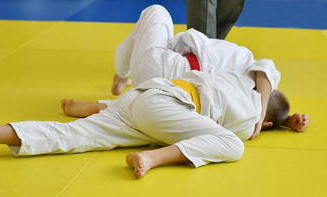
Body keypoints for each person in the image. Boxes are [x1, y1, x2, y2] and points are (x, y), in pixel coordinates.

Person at [0, 70, 308, 178]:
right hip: (168, 107)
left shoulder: (238, 78)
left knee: (74, 137)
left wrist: (287, 119)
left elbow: (266, 73)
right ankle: (153, 159)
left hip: (144, 101)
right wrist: (278, 122)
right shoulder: (250, 114)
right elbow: (267, 82)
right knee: (234, 146)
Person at [108, 5, 303, 139]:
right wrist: (285, 121)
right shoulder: (243, 108)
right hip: (167, 94)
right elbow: (267, 92)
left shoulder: (253, 83)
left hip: (165, 68)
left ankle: (122, 74)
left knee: (156, 11)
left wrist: (262, 119)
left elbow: (265, 71)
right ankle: (123, 76)